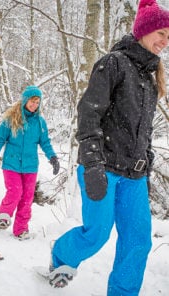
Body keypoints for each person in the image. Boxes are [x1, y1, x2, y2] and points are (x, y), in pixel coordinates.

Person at [47, 0, 169, 294]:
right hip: (102, 166)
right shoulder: (113, 63)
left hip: (134, 176)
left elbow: (144, 130)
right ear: (144, 30)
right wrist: (92, 164)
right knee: (97, 233)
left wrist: (147, 161)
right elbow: (89, 114)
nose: (165, 42)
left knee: (138, 240)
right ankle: (62, 256)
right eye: (161, 33)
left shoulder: (151, 79)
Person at [0, 85, 60, 240]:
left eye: (37, 102)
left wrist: (53, 157)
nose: (34, 105)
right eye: (32, 101)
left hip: (30, 165)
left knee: (27, 198)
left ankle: (21, 229)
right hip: (11, 163)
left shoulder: (40, 122)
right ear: (25, 101)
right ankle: (4, 216)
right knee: (15, 191)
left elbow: (45, 142)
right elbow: (0, 139)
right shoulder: (11, 119)